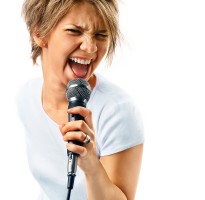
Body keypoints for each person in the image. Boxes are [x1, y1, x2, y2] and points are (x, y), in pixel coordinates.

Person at [17, 0, 144, 199]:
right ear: (40, 33)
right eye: (75, 31)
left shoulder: (117, 110)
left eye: (101, 35)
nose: (91, 47)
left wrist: (91, 165)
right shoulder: (27, 97)